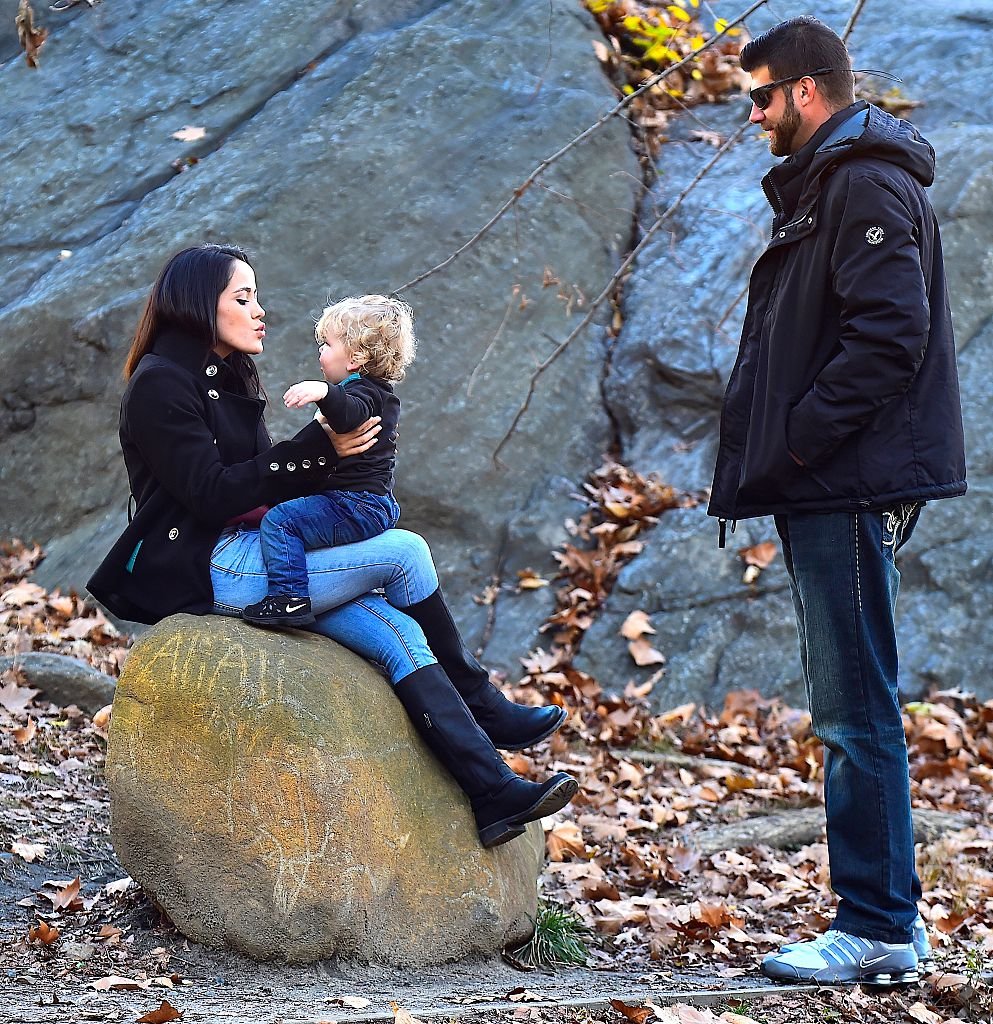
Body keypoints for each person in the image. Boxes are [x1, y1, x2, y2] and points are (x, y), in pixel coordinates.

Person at [87, 243, 574, 849]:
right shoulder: (159, 385)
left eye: (256, 297)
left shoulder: (228, 375)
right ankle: (485, 705)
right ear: (196, 305)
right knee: (405, 553)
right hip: (211, 564)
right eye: (243, 298)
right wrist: (319, 450)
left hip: (263, 549)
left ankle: (494, 794)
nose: (261, 311)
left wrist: (338, 463)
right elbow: (213, 494)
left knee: (401, 635)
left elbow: (265, 478)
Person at [708, 18, 966, 986]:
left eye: (762, 98)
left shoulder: (860, 181)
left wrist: (799, 441)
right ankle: (886, 915)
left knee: (855, 711)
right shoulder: (831, 181)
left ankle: (875, 925)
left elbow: (892, 334)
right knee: (856, 703)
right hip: (831, 483)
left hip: (844, 485)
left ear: (808, 92)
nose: (755, 115)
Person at [242, 294, 413, 629]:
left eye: (327, 344)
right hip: (368, 501)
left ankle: (288, 598)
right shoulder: (371, 392)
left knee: (280, 522)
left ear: (357, 356)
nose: (320, 352)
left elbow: (351, 416)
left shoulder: (365, 394)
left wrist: (323, 392)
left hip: (356, 502)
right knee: (295, 511)